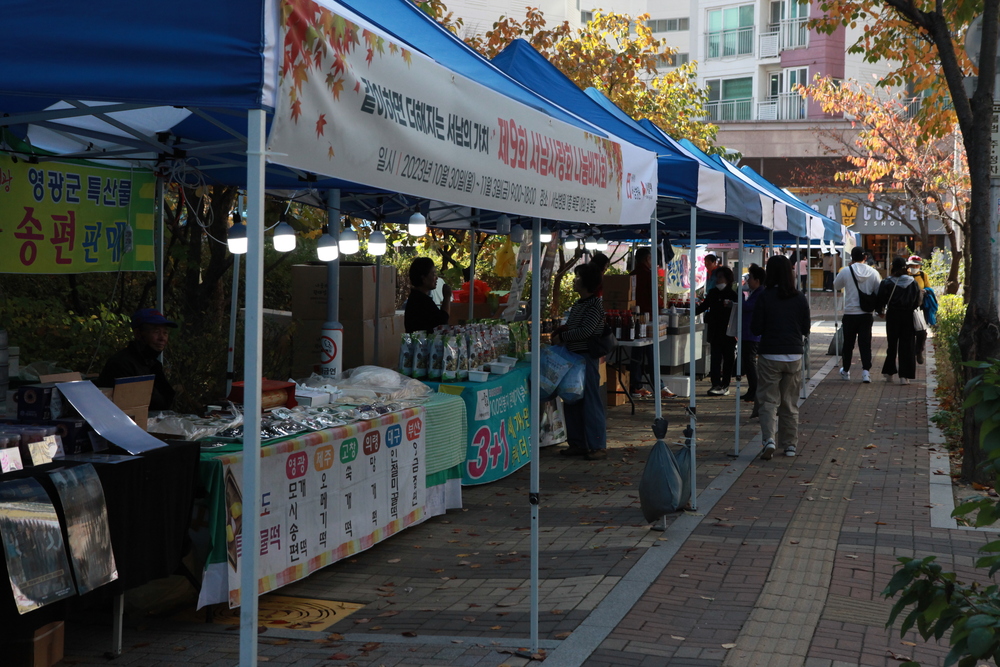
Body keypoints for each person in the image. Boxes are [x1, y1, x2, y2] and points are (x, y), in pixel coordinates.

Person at [751, 255, 811, 460]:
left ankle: (769, 439)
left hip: (769, 354)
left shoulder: (765, 296)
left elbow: (756, 327)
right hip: (793, 355)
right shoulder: (799, 297)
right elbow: (806, 328)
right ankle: (790, 445)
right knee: (789, 402)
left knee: (768, 401)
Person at [552, 263, 607, 461]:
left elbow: (587, 331)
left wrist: (564, 337)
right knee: (572, 399)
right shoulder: (579, 304)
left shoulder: (594, 305)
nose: (575, 281)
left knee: (591, 402)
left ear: (586, 282)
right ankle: (577, 443)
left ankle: (597, 444)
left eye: (577, 278)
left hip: (586, 359)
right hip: (572, 359)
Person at [98, 308, 178, 411]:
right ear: (138, 334)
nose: (162, 338)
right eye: (156, 332)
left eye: (165, 333)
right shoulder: (122, 364)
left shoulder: (153, 364)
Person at [833, 247, 880, 383]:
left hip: (850, 313)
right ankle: (866, 372)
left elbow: (836, 285)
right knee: (865, 343)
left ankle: (846, 371)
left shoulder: (846, 271)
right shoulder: (873, 272)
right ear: (865, 258)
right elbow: (878, 290)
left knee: (848, 344)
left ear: (851, 258)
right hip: (866, 314)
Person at [876, 256, 923, 384]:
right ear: (906, 268)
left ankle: (889, 372)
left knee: (892, 344)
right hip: (908, 315)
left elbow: (880, 298)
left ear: (893, 267)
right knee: (907, 345)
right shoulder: (912, 283)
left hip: (892, 315)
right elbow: (917, 300)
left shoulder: (887, 282)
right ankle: (904, 376)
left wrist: (880, 311)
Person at [696, 265, 737, 396]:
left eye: (720, 277)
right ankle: (715, 384)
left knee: (728, 359)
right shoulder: (713, 292)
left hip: (729, 332)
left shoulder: (733, 294)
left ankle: (725, 384)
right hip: (715, 331)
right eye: (716, 277)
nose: (717, 280)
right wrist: (689, 311)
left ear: (727, 279)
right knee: (715, 359)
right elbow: (703, 307)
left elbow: (740, 311)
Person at [741, 264, 766, 418]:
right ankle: (751, 390)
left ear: (757, 280)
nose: (748, 281)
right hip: (748, 333)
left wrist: (738, 300)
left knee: (750, 362)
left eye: (750, 278)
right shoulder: (756, 292)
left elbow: (749, 307)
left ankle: (754, 390)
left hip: (752, 334)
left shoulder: (759, 293)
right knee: (748, 362)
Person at [404, 257, 451, 333]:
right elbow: (442, 321)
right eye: (433, 274)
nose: (436, 278)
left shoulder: (417, 297)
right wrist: (447, 297)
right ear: (424, 278)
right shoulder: (421, 300)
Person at [906, 255, 930, 364]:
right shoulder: (905, 274)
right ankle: (909, 353)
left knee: (922, 332)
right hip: (906, 308)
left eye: (916, 265)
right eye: (912, 265)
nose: (914, 267)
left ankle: (919, 351)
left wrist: (925, 291)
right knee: (908, 332)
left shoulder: (923, 275)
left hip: (920, 308)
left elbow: (929, 288)